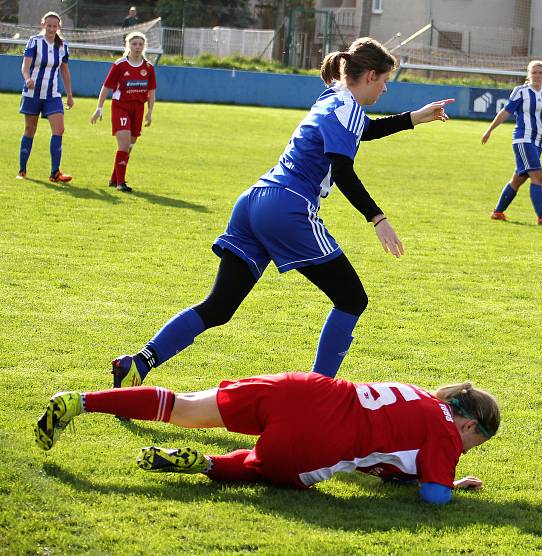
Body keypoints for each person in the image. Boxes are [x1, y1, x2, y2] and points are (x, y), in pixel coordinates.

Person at [109, 37, 454, 387]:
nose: (384, 90)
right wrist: (377, 218)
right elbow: (344, 170)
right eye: (383, 81)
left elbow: (363, 129)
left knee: (219, 306)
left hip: (255, 200)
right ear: (368, 75)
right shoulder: (347, 107)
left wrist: (414, 118)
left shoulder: (334, 97)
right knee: (351, 298)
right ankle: (319, 393)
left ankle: (138, 362)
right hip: (288, 206)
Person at [35, 372, 500, 504]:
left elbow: (397, 456)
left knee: (182, 406)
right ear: (468, 425)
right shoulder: (446, 434)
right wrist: (450, 487)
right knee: (262, 466)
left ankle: (82, 401)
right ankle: (206, 464)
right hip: (322, 437)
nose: (464, 450)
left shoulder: (419, 395)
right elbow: (435, 494)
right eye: (472, 443)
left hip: (304, 389)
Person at [482, 60, 542, 226]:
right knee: (537, 175)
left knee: (518, 179)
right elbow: (506, 112)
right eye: (534, 72)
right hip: (523, 138)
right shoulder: (521, 91)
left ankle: (497, 212)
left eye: (541, 73)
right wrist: (490, 130)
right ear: (529, 74)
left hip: (538, 140)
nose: (537, 75)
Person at [91, 31, 157, 192]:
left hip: (138, 108)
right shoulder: (120, 64)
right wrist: (99, 108)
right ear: (128, 46)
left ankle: (114, 178)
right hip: (121, 106)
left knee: (130, 146)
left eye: (140, 44)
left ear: (144, 46)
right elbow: (106, 87)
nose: (137, 47)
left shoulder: (148, 67)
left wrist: (149, 112)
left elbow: (151, 91)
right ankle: (121, 183)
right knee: (124, 143)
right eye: (134, 44)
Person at [17, 12, 73, 183]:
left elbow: (64, 70)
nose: (51, 29)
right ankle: (22, 170)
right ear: (43, 25)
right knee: (30, 130)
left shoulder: (63, 45)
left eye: (54, 26)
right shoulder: (34, 41)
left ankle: (55, 172)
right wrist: (27, 79)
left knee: (59, 129)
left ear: (58, 27)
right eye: (48, 25)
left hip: (52, 95)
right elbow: (25, 66)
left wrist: (69, 94)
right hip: (33, 94)